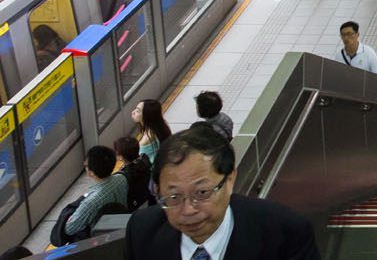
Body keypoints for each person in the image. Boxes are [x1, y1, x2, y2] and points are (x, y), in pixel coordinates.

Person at [123, 124, 319, 259]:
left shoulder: (287, 233)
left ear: (230, 179)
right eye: (174, 197)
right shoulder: (142, 231)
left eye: (202, 193)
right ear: (158, 191)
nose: (189, 210)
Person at [55, 145, 129, 244]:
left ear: (91, 173)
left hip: (98, 241)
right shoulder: (121, 179)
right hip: (121, 226)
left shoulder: (90, 203)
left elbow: (69, 229)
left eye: (86, 165)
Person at [133, 99, 172, 164]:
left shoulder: (147, 138)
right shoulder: (161, 126)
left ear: (147, 115)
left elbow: (139, 158)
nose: (133, 112)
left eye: (138, 111)